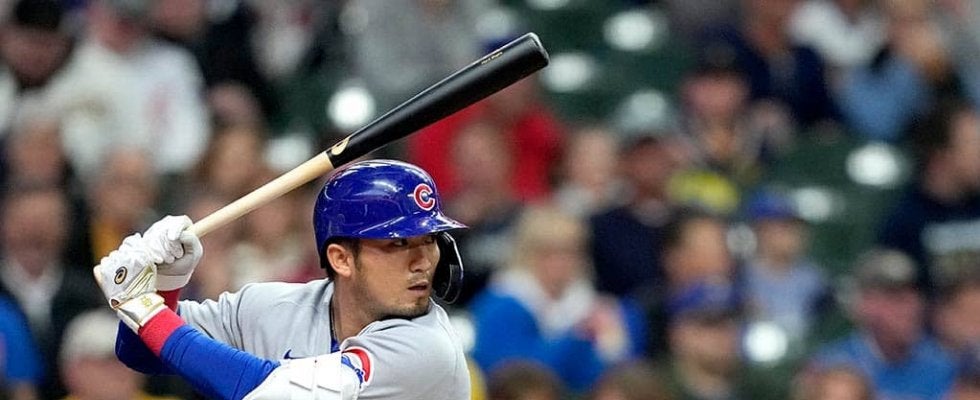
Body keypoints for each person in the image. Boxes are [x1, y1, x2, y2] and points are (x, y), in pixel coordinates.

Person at [99, 159, 470, 399]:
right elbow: (141, 353)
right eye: (399, 243)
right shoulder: (270, 307)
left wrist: (144, 309)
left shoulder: (428, 350)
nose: (423, 261)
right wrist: (165, 285)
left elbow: (266, 391)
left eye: (430, 241)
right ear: (341, 259)